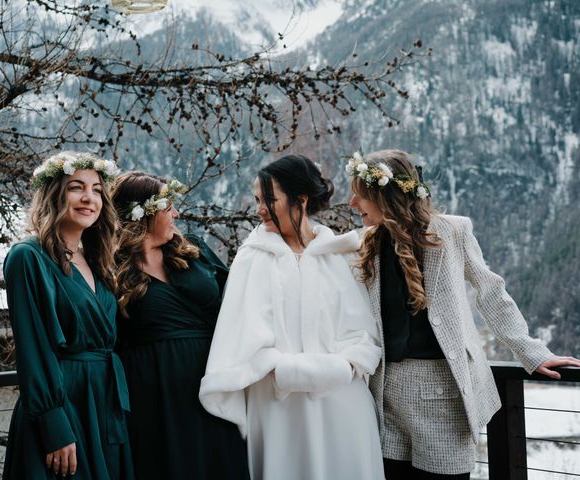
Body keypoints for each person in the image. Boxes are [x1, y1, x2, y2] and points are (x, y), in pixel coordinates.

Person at [345, 148, 580, 480]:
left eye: (360, 195)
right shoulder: (363, 243)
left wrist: (532, 351)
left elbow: (491, 293)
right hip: (385, 395)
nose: (353, 205)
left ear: (386, 196)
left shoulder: (452, 232)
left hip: (445, 394)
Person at [199, 155, 385, 480]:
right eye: (257, 199)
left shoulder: (341, 254)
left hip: (342, 406)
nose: (259, 208)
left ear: (301, 199)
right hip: (277, 408)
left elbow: (365, 336)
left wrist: (344, 366)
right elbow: (240, 336)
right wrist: (283, 370)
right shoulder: (251, 258)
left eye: (269, 199)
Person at [3, 152, 134, 480]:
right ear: (54, 193)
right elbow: (33, 348)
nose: (89, 198)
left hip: (104, 404)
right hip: (64, 403)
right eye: (77, 187)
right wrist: (53, 424)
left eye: (96, 190)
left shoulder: (99, 261)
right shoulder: (28, 257)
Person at [111, 171, 250, 480]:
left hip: (211, 386)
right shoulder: (113, 270)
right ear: (143, 214)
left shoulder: (193, 250)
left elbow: (240, 300)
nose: (176, 213)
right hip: (153, 396)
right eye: (167, 207)